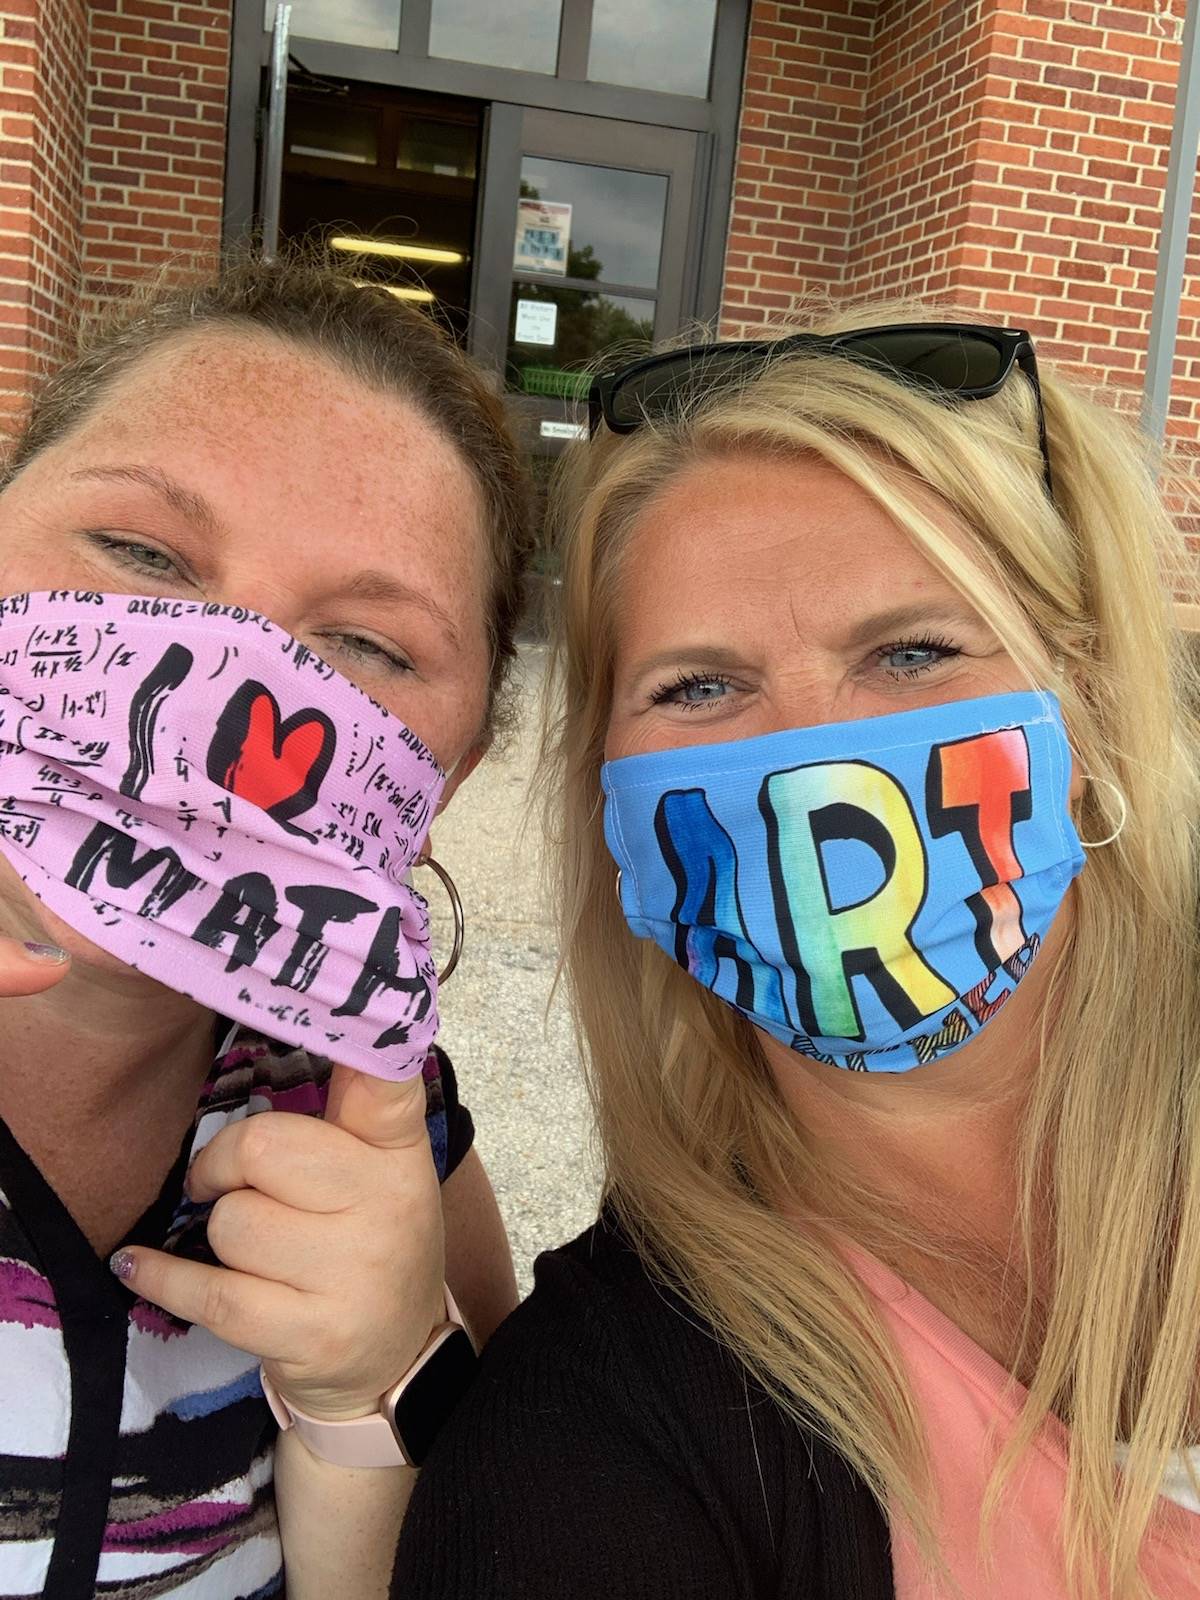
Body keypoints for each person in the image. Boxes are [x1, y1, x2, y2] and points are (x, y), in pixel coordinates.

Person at [393, 315, 1200, 1598]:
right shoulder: (602, 1433)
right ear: (616, 808)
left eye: (914, 651)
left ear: (1088, 704)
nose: (815, 760)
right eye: (700, 688)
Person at [0, 253, 528, 1599]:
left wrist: (369, 1396)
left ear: (447, 779)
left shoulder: (370, 1119)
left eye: (370, 644)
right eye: (141, 551)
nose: (218, 679)